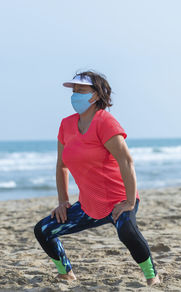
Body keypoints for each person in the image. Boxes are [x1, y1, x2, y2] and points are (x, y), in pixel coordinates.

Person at [34, 70, 160, 286]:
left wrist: (130, 202)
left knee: (127, 232)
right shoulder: (66, 125)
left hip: (118, 200)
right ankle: (66, 273)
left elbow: (126, 161)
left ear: (96, 95)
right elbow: (61, 165)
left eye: (81, 90)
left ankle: (152, 277)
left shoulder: (105, 122)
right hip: (88, 205)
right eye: (74, 90)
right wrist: (63, 201)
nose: (75, 95)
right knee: (43, 230)